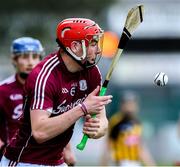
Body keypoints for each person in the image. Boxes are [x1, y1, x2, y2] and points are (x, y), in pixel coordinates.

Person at [1, 18, 112, 166]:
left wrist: (98, 129)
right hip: (25, 161)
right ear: (74, 46)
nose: (98, 49)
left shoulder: (92, 73)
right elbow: (40, 133)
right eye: (92, 43)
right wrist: (82, 108)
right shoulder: (44, 76)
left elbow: (102, 119)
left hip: (56, 161)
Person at [0, 37, 44, 160]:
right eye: (25, 57)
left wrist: (67, 150)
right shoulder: (3, 90)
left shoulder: (48, 88)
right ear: (14, 59)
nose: (30, 62)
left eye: (35, 57)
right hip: (13, 157)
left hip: (44, 156)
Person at [100, 91, 156, 166]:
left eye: (132, 103)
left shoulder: (137, 123)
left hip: (136, 163)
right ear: (122, 105)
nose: (130, 107)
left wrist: (151, 164)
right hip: (122, 163)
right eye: (127, 103)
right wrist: (103, 164)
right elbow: (108, 147)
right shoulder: (115, 122)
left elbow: (141, 148)